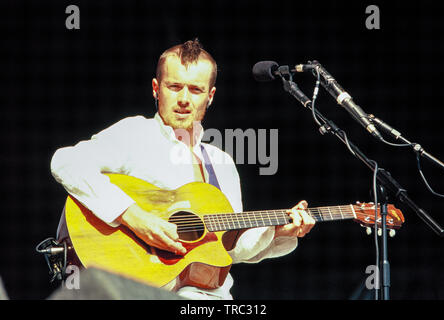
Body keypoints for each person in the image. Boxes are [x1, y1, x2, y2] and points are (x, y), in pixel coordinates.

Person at [50, 38, 315, 300]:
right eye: (174, 87)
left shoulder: (220, 162)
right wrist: (135, 217)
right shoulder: (136, 133)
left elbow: (227, 248)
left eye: (196, 90)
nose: (184, 99)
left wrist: (277, 232)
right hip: (143, 291)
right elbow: (66, 162)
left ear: (210, 96)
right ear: (156, 88)